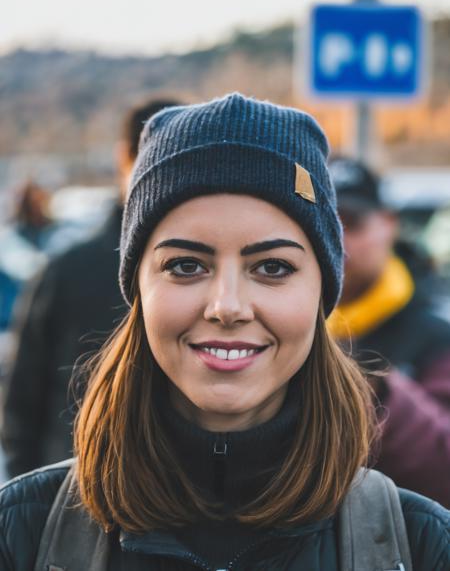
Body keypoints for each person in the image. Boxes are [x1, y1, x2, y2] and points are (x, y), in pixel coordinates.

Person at [0, 94, 448, 570]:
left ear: (323, 291)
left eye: (273, 267)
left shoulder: (419, 545)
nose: (227, 306)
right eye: (186, 265)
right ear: (138, 290)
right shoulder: (23, 532)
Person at [1, 97, 183, 477]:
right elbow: (22, 405)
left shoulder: (63, 268)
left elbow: (20, 409)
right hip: (75, 491)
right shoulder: (65, 271)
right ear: (124, 159)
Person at [327, 156, 450, 507]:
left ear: (388, 224)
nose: (339, 240)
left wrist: (375, 391)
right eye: (325, 223)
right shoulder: (277, 330)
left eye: (352, 223)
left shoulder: (438, 337)